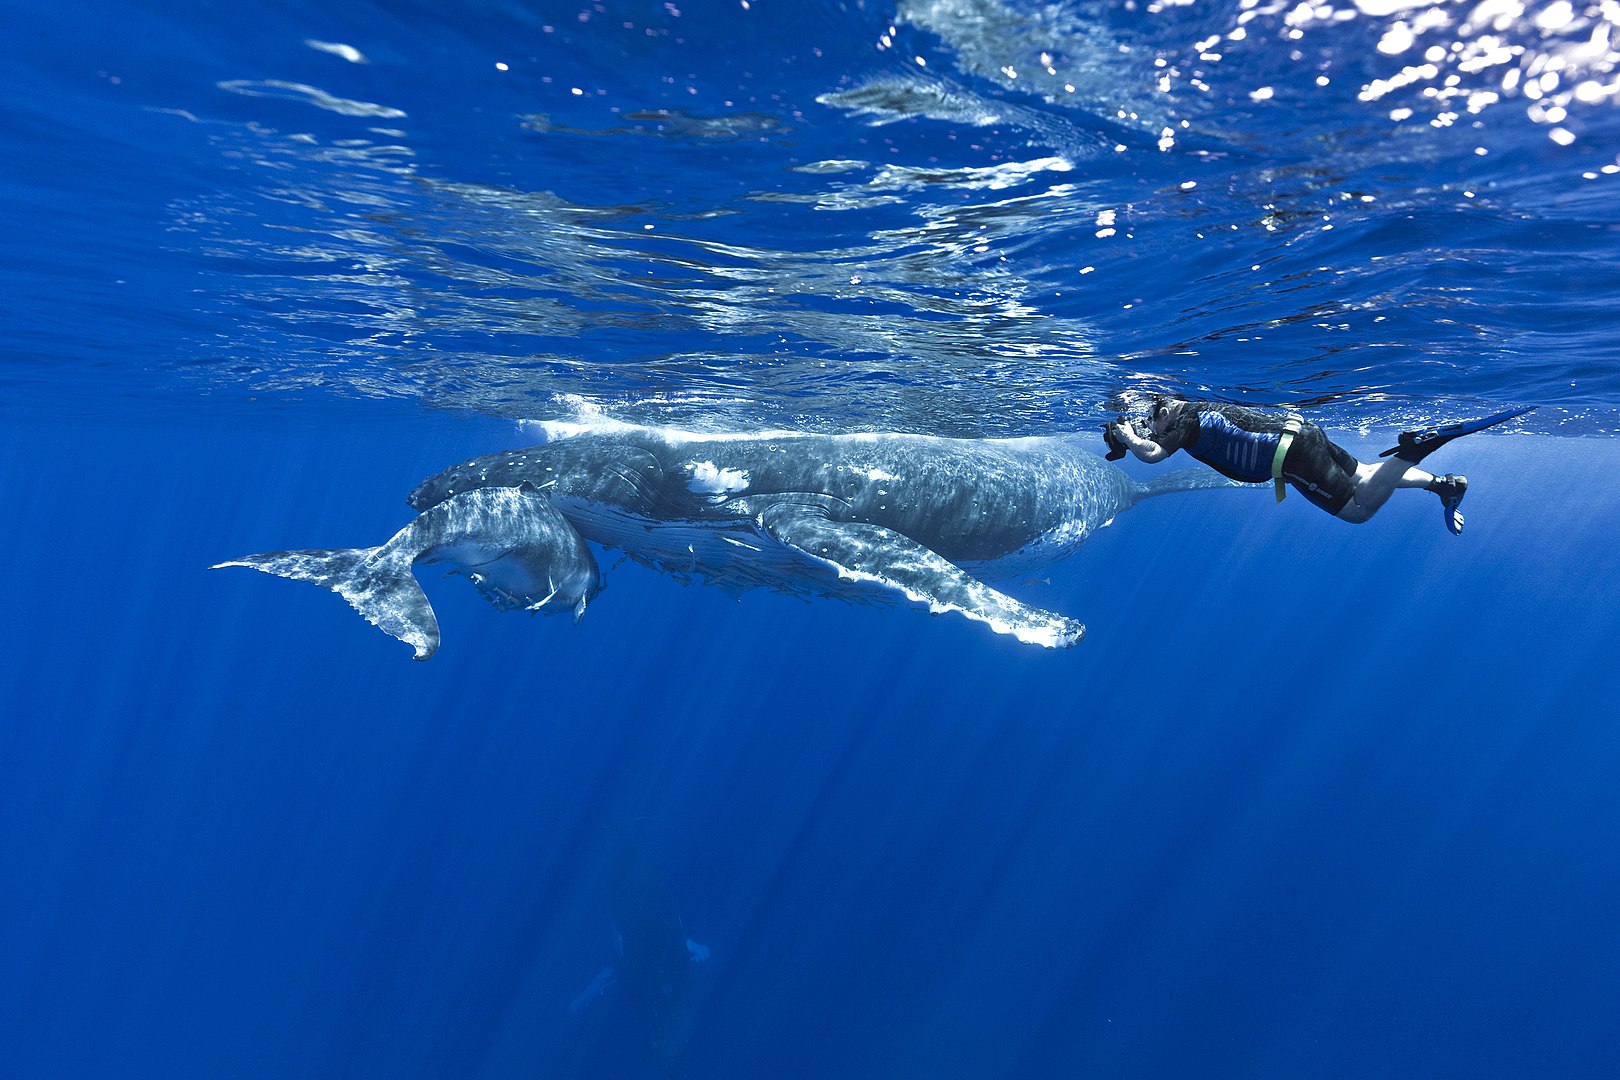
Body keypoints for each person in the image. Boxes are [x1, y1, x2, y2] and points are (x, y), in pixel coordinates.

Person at [1102, 396, 1533, 534]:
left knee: (1359, 511)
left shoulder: (1183, 419)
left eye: (1154, 414)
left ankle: (1418, 449)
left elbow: (1152, 455)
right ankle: (1440, 485)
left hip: (1290, 459)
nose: (1153, 421)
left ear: (1169, 407)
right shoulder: (1198, 406)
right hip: (1303, 433)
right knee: (1365, 472)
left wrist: (1128, 438)